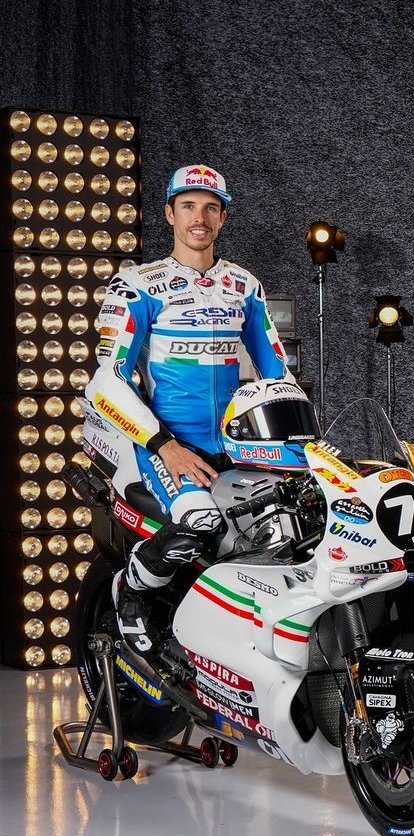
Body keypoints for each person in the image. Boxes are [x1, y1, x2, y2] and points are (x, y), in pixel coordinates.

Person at [85, 164, 289, 653]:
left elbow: (278, 374)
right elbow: (105, 382)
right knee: (199, 524)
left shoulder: (245, 285)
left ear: (223, 218)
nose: (200, 217)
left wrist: (298, 441)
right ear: (169, 214)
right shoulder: (135, 285)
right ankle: (130, 593)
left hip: (237, 445)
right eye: (189, 206)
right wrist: (165, 445)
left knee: (286, 528)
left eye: (211, 208)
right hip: (167, 443)